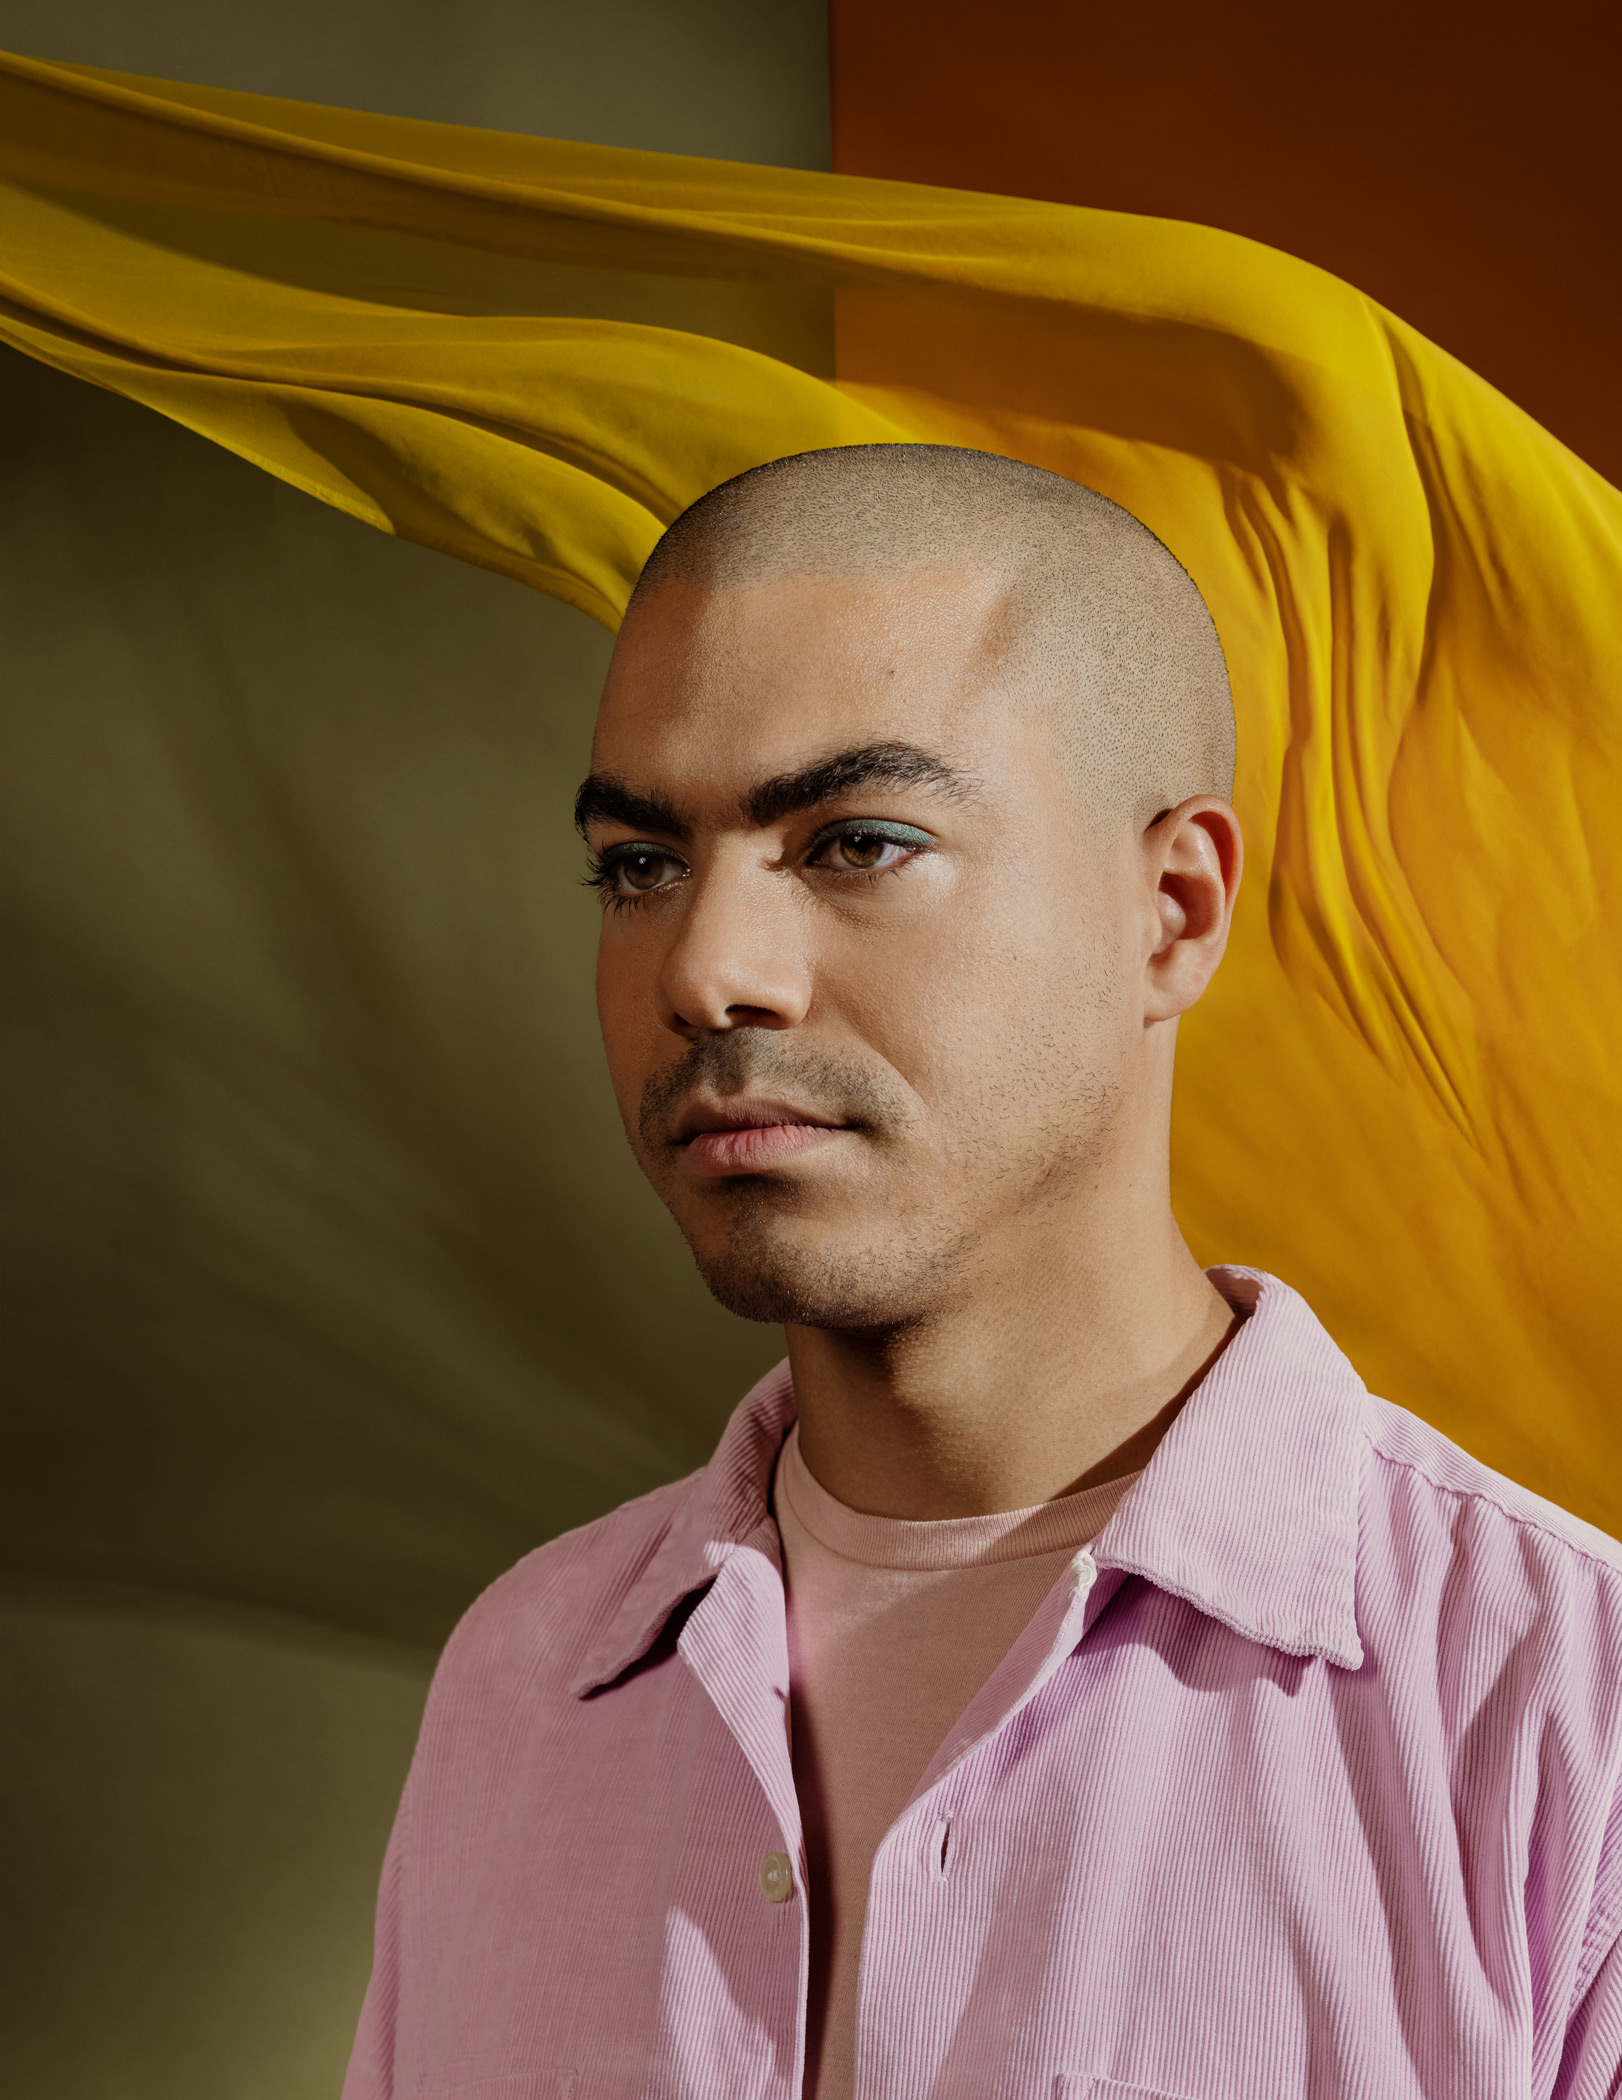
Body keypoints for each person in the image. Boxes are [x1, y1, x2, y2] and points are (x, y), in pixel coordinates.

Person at [343, 446, 1622, 2100]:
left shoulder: (1562, 1718)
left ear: (1171, 911)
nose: (707, 972)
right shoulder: (526, 1676)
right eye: (640, 865)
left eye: (857, 843)